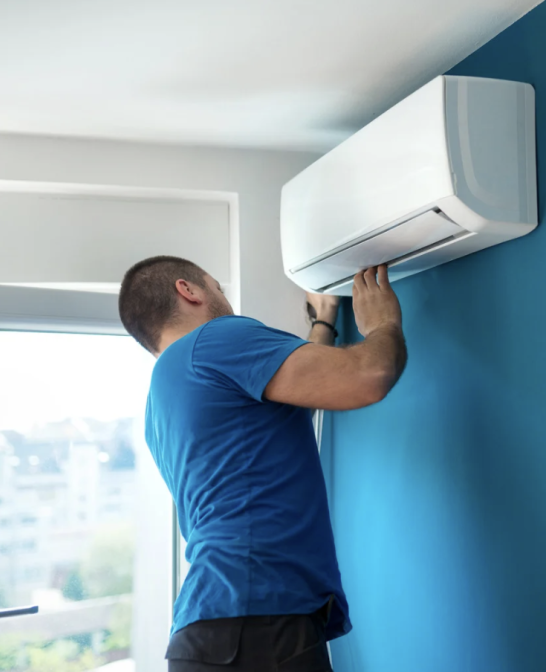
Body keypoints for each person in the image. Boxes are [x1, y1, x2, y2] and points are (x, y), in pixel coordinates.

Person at [117, 256, 406, 672]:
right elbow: (370, 375)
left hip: (208, 635)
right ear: (189, 290)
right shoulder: (215, 339)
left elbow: (287, 407)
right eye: (217, 286)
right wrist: (383, 325)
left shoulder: (162, 399)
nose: (224, 298)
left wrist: (323, 320)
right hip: (257, 622)